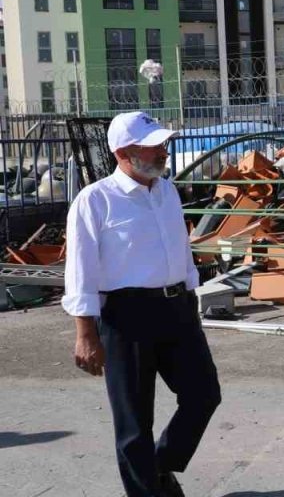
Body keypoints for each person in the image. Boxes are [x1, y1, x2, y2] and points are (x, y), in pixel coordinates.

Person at [64, 111, 220, 497]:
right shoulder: (95, 200)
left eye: (163, 144)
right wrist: (85, 333)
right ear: (123, 152)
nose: (163, 152)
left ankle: (161, 466)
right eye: (153, 147)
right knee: (135, 421)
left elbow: (179, 248)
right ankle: (147, 491)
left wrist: (190, 292)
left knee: (204, 394)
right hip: (125, 316)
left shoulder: (166, 191)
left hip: (176, 309)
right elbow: (80, 269)